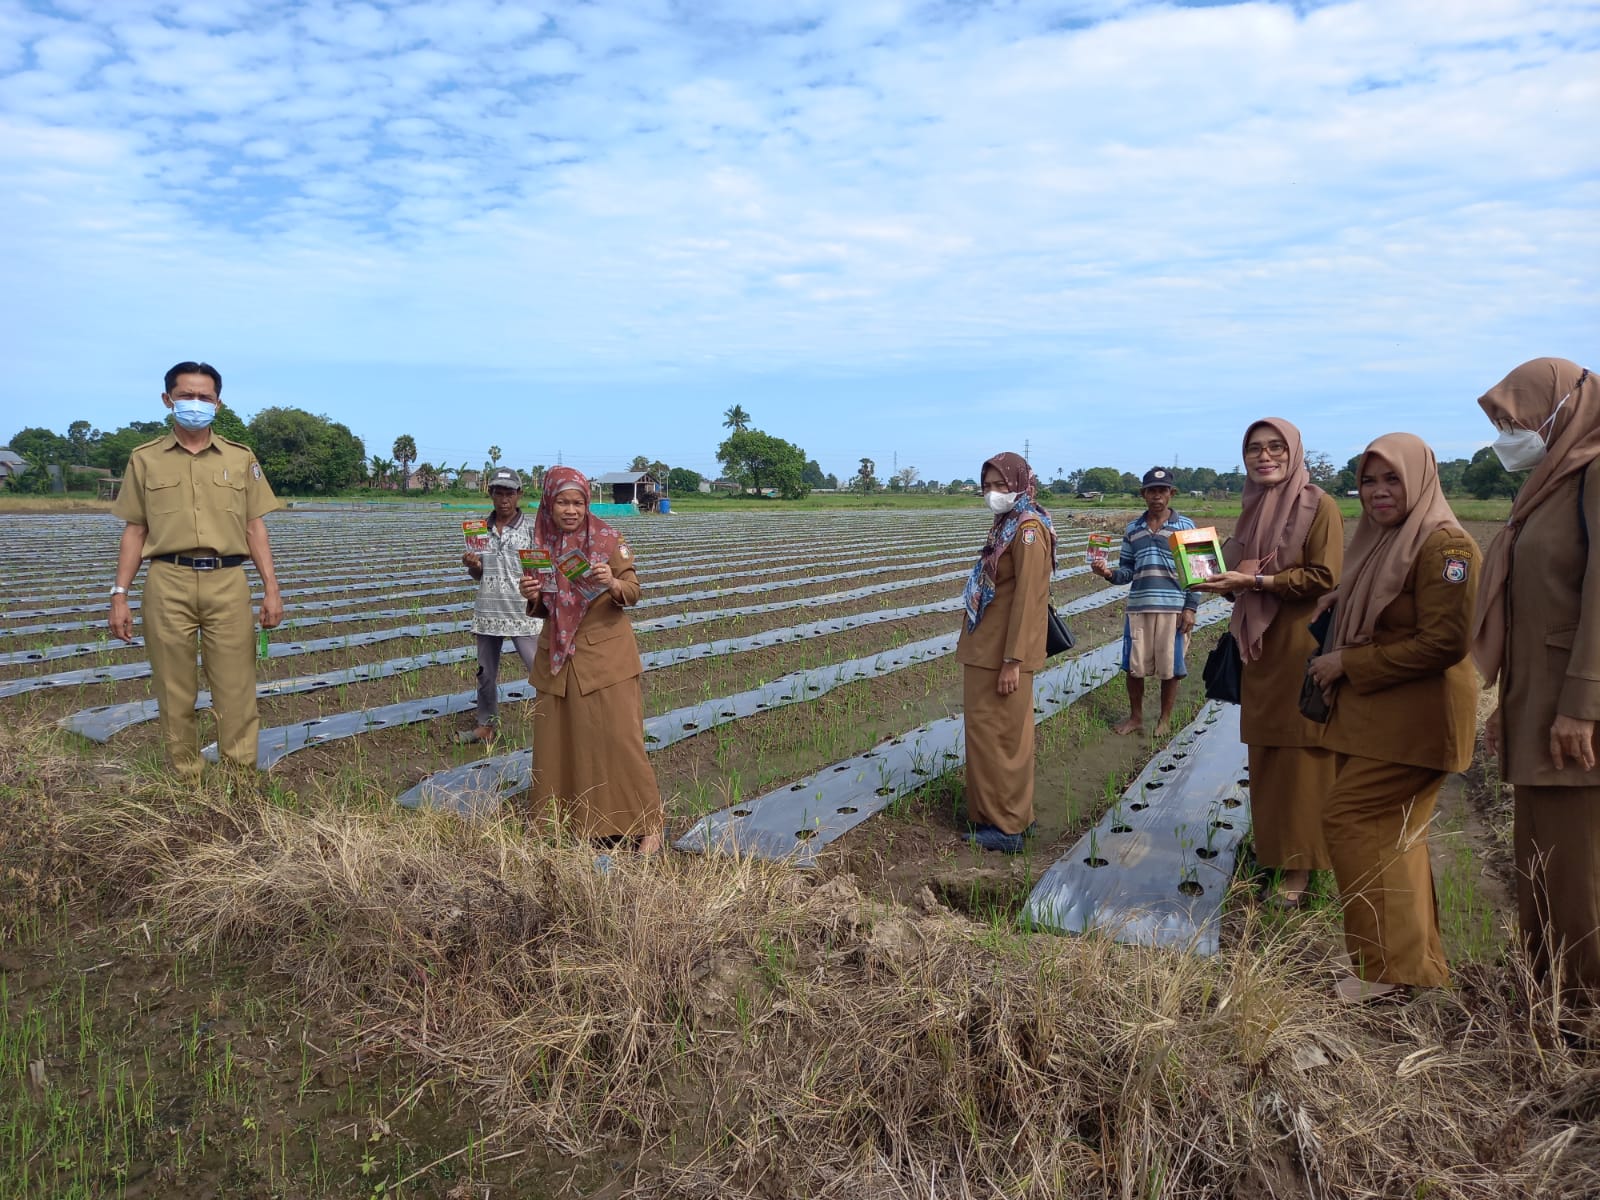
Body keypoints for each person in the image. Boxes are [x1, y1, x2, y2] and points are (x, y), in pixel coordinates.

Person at [1307, 434, 1479, 1002]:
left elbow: (1445, 642)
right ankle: (1413, 968)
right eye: (1368, 481)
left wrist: (1348, 661)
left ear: (1421, 480)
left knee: (1354, 822)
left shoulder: (1444, 546)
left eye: (1392, 480)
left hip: (1416, 723)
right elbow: (1385, 606)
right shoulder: (1384, 541)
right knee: (1396, 840)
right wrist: (1344, 601)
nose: (1378, 493)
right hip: (1385, 720)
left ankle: (1384, 972)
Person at [1472, 358, 1600, 1007]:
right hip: (1539, 707)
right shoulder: (1549, 484)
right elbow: (1536, 608)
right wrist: (1506, 707)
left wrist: (1581, 705)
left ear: (1561, 406)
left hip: (1576, 716)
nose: (1506, 436)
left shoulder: (1595, 472)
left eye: (1512, 420)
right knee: (1540, 859)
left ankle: (1580, 1011)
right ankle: (1544, 990)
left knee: (1576, 867)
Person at [1191, 419, 1342, 907]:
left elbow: (1324, 575)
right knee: (1266, 757)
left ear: (1294, 451)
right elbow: (1235, 565)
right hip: (1258, 647)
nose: (1265, 456)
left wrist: (1258, 584)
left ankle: (1301, 872)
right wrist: (1211, 575)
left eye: (1276, 447)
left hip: (1298, 646)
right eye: (1254, 449)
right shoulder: (1252, 507)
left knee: (1301, 757)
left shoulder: (1319, 506)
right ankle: (1274, 853)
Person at [108, 361, 283, 780]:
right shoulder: (145, 459)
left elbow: (254, 527)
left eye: (204, 397)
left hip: (227, 580)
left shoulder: (240, 459)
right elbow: (136, 530)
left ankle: (239, 777)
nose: (195, 404)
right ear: (168, 400)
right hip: (168, 581)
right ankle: (187, 776)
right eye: (186, 395)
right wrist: (119, 594)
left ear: (218, 403)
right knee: (174, 688)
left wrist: (272, 589)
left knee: (236, 687)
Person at [517, 467, 663, 855]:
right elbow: (542, 606)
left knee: (619, 740)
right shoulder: (540, 544)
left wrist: (612, 583)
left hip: (606, 659)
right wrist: (530, 593)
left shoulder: (607, 540)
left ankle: (649, 824)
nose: (570, 510)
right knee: (559, 744)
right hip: (559, 661)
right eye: (563, 502)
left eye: (578, 502)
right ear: (549, 502)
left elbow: (633, 590)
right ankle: (563, 822)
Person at [957, 452, 1056, 854]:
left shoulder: (1028, 529)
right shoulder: (1007, 525)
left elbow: (1030, 601)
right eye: (988, 487)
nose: (994, 494)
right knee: (990, 737)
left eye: (1001, 485)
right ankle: (1006, 817)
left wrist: (1013, 660)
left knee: (1002, 739)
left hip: (1001, 655)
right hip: (987, 651)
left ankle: (1006, 827)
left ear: (1020, 483)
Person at [1092, 466, 1201, 737]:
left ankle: (1164, 719)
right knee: (1134, 667)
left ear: (1171, 493)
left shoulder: (1186, 527)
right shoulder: (1133, 529)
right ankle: (1136, 718)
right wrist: (1108, 573)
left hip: (1173, 608)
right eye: (1151, 491)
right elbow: (1127, 570)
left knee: (1171, 668)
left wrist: (1190, 607)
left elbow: (1198, 573)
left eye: (1162, 491)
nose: (1157, 496)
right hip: (1139, 607)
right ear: (1144, 494)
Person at [457, 468, 543, 745]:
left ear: (519, 495)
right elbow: (480, 575)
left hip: (523, 613)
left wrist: (537, 596)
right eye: (498, 492)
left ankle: (555, 725)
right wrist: (473, 566)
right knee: (485, 674)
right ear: (490, 494)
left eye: (509, 493)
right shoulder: (480, 531)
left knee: (540, 672)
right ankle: (486, 725)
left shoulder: (532, 529)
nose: (504, 498)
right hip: (488, 612)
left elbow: (542, 572)